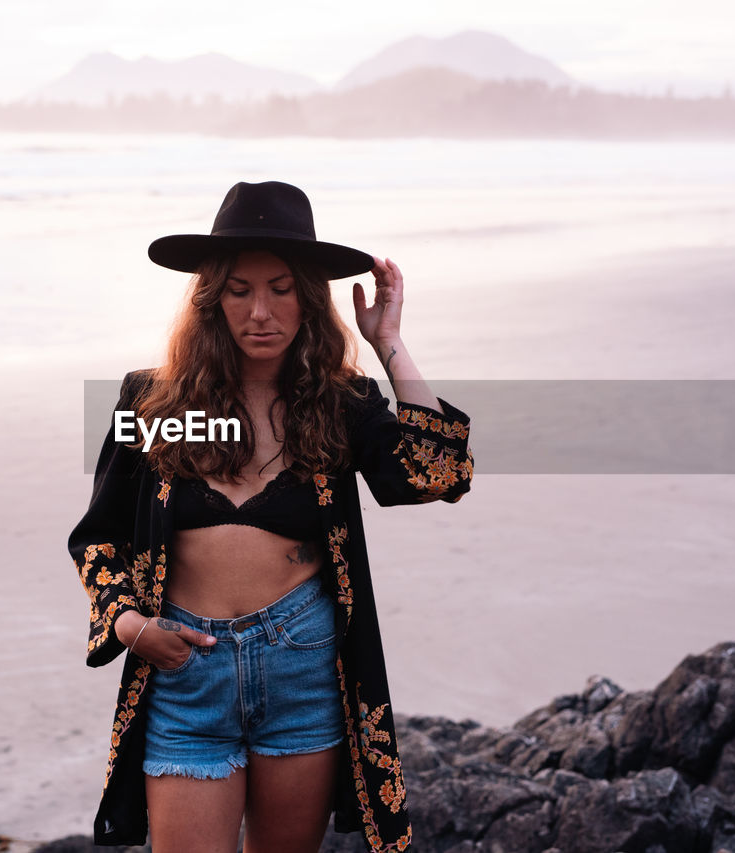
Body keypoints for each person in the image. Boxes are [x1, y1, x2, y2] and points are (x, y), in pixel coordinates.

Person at [69, 181, 473, 853]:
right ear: (211, 299)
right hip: (184, 671)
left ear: (309, 298)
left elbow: (439, 474)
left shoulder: (337, 405)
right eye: (240, 290)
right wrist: (132, 626)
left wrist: (389, 341)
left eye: (282, 288)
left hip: (302, 667)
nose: (261, 311)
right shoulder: (152, 402)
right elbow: (97, 538)